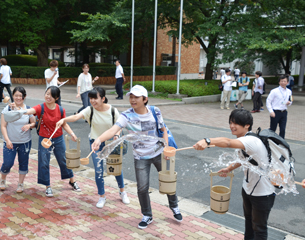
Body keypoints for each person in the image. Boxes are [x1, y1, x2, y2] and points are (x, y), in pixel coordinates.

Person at [91, 85, 182, 229]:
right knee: (142, 188)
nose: (132, 100)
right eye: (131, 97)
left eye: (136, 97)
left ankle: (174, 206)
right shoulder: (127, 115)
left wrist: (165, 148)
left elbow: (163, 130)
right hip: (140, 157)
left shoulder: (155, 111)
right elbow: (113, 129)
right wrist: (99, 139)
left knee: (168, 181)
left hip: (159, 153)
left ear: (145, 99)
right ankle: (147, 215)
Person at [193, 109, 276, 240]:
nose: (232, 126)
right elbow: (244, 160)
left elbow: (227, 142)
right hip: (248, 190)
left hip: (263, 194)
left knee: (259, 228)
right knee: (249, 224)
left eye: (236, 123)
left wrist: (207, 140)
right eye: (231, 122)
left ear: (247, 125)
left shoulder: (251, 141)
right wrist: (229, 168)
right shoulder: (243, 140)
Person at [57, 87, 130, 208]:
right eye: (90, 98)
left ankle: (122, 192)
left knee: (115, 168)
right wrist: (64, 119)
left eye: (95, 98)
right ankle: (102, 196)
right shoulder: (90, 110)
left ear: (103, 98)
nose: (92, 101)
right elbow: (76, 117)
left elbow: (120, 125)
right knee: (98, 170)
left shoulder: (112, 111)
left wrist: (117, 134)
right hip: (95, 143)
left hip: (111, 143)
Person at [8, 86, 81, 197]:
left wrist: (72, 134)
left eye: (51, 95)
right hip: (44, 139)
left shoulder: (60, 109)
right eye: (47, 94)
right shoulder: (40, 107)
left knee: (64, 160)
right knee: (44, 162)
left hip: (58, 138)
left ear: (56, 98)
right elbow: (29, 111)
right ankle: (47, 186)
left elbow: (64, 124)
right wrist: (18, 109)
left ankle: (72, 181)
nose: (48, 97)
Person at [0, 86, 36, 193]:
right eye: (16, 95)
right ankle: (3, 179)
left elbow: (34, 123)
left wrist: (29, 126)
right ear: (13, 96)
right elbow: (3, 126)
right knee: (8, 163)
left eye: (21, 96)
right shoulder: (7, 109)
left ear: (24, 97)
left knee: (23, 163)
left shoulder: (28, 109)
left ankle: (20, 184)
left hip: (25, 142)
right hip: (10, 141)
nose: (18, 98)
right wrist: (7, 140)